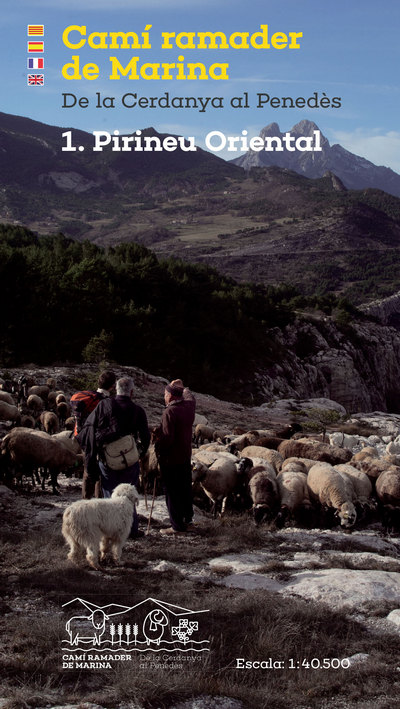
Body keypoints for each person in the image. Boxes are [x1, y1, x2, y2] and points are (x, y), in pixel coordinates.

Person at [77, 376, 150, 538]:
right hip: (130, 460)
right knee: (129, 496)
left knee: (110, 494)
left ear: (116, 389)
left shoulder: (104, 405)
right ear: (131, 392)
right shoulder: (138, 410)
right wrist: (138, 453)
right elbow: (145, 438)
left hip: (107, 459)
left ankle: (111, 532)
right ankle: (131, 530)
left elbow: (90, 428)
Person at [156, 378, 196, 535]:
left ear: (171, 396)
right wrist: (183, 387)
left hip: (171, 458)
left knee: (172, 491)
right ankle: (188, 521)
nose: (164, 396)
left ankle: (176, 526)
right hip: (185, 455)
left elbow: (168, 438)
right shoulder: (189, 407)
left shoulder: (169, 412)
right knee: (185, 488)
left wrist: (158, 447)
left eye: (165, 393)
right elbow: (191, 397)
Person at [72, 370, 117, 499]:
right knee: (101, 472)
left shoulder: (87, 398)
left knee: (88, 469)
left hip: (84, 439)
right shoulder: (107, 402)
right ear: (112, 386)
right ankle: (99, 501)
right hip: (99, 441)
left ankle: (85, 500)